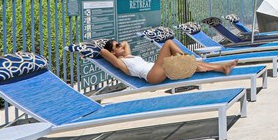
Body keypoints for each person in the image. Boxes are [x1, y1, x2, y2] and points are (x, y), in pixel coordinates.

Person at [100, 39, 237, 85]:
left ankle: (221, 68)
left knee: (191, 63)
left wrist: (118, 46)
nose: (121, 46)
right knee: (168, 43)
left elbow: (126, 43)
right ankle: (185, 58)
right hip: (151, 75)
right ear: (113, 53)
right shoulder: (120, 63)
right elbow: (103, 52)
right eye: (117, 46)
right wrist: (106, 48)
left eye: (119, 44)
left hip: (155, 70)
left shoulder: (128, 56)